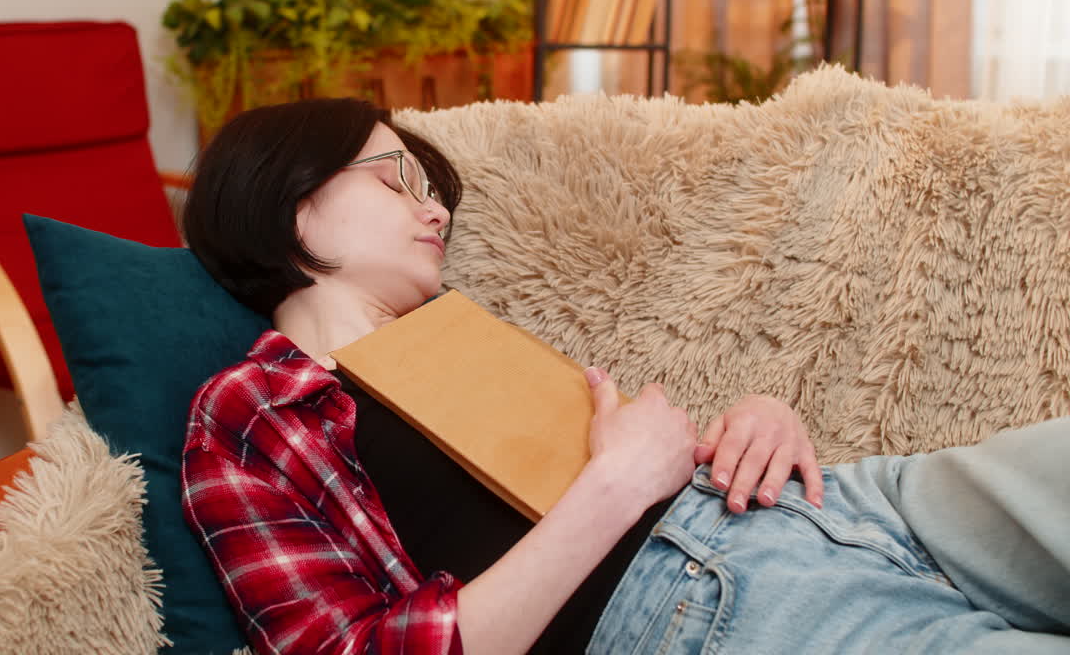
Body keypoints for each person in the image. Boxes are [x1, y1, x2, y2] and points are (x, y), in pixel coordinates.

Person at [179, 98, 1070, 655]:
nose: (436, 206)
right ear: (289, 195)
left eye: (433, 185)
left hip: (843, 504)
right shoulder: (249, 413)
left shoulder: (461, 341)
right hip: (705, 610)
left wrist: (755, 425)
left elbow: (652, 460)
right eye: (396, 177)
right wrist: (613, 488)